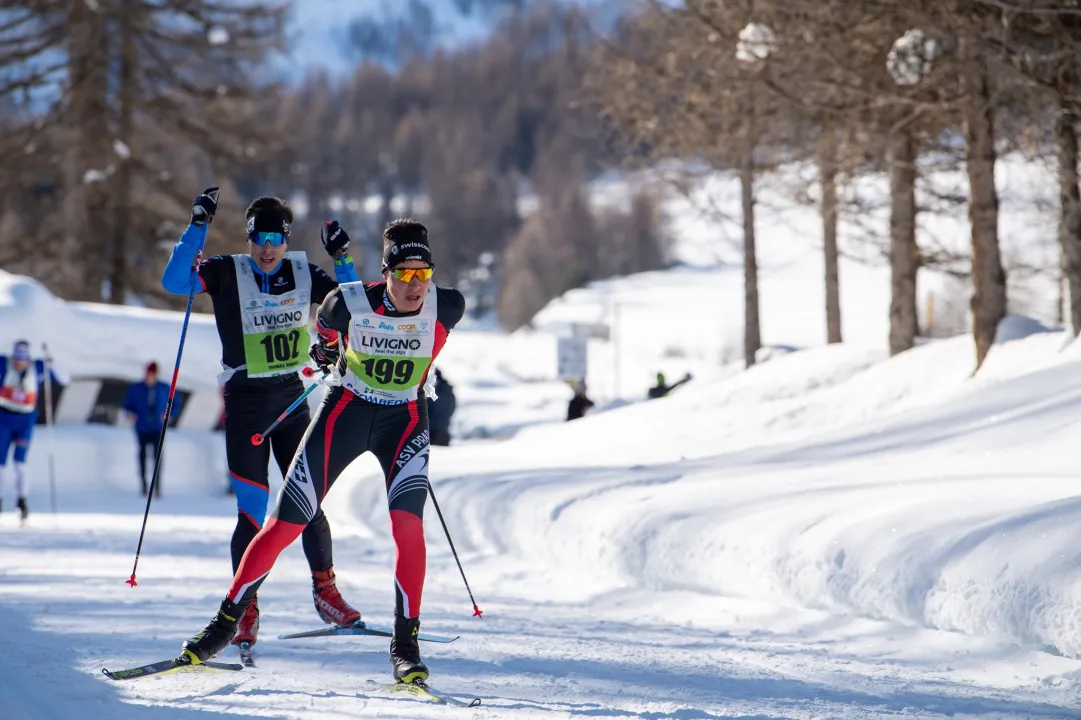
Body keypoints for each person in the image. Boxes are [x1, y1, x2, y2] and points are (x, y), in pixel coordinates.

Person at [180, 218, 466, 686]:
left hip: (405, 421)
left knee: (408, 527)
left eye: (424, 274)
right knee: (285, 522)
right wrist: (326, 352)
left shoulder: (447, 305)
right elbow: (326, 332)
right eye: (406, 274)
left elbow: (430, 344)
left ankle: (406, 644)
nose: (416, 286)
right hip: (347, 413)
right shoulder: (347, 303)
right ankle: (224, 624)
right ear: (386, 273)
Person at [161, 188, 362, 654]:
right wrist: (196, 227)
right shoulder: (226, 270)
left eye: (275, 238)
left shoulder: (300, 271)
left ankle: (326, 593)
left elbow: (352, 307)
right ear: (248, 239)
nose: (267, 248)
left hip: (292, 399)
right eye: (259, 238)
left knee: (308, 505)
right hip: (247, 401)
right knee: (253, 513)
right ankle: (245, 609)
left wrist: (342, 258)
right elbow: (176, 283)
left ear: (285, 238)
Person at [0, 340, 63, 519]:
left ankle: (22, 500)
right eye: (17, 357)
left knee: (20, 463)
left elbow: (63, 378)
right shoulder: (4, 364)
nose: (20, 362)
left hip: (25, 420)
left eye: (24, 358)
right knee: (0, 464)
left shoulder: (37, 367)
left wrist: (52, 361)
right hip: (4, 417)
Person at [122, 362, 183, 497]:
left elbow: (176, 402)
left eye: (153, 374)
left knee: (158, 457)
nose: (150, 377)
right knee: (142, 455)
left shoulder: (163, 388)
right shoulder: (136, 388)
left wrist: (170, 415)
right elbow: (127, 404)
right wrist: (131, 413)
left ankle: (157, 486)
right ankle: (143, 484)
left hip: (157, 428)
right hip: (142, 428)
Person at [427, 368, 456, 446]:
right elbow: (451, 409)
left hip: (432, 432)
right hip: (444, 432)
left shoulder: (433, 393)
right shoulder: (449, 393)